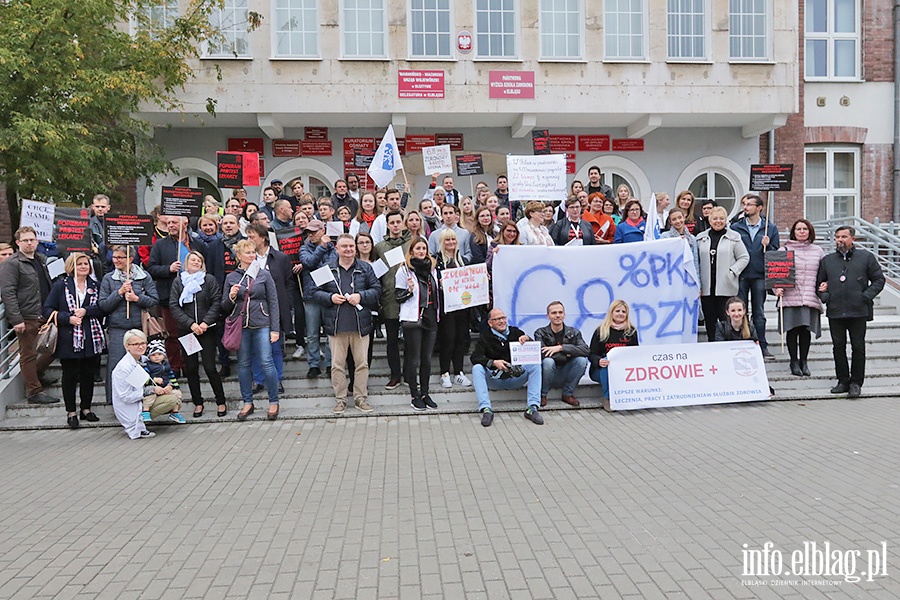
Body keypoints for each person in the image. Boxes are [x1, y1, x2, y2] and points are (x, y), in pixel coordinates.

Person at [310, 234, 382, 415]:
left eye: (351, 246)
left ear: (355, 248)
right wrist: (330, 297)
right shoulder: (326, 269)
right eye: (344, 246)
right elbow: (314, 292)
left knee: (362, 364)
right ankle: (340, 400)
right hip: (336, 326)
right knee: (337, 365)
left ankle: (360, 398)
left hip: (360, 326)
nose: (348, 249)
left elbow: (377, 290)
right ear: (337, 249)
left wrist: (361, 296)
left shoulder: (365, 268)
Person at [816, 226, 885, 398]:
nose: (840, 240)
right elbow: (819, 284)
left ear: (852, 239)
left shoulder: (866, 258)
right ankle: (842, 381)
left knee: (858, 347)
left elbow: (879, 279)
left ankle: (856, 383)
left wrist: (866, 296)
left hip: (858, 310)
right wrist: (826, 296)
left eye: (844, 236)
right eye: (837, 237)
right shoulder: (827, 260)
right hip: (836, 311)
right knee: (838, 347)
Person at [41, 252, 106, 427]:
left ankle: (86, 408)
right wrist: (66, 318)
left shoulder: (95, 285)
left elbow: (102, 308)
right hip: (69, 339)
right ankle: (71, 411)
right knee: (69, 376)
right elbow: (47, 309)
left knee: (88, 375)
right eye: (80, 264)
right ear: (72, 267)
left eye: (86, 263)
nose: (84, 266)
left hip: (91, 337)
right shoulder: (61, 286)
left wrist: (87, 311)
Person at [222, 239, 281, 420]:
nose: (252, 255)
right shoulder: (231, 277)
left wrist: (275, 329)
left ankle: (273, 401)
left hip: (262, 323)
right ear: (238, 256)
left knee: (266, 361)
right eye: (247, 252)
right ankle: (248, 402)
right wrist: (232, 296)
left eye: (253, 252)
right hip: (241, 325)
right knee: (244, 365)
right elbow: (224, 306)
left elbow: (273, 302)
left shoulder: (263, 275)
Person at [0, 227, 58, 404]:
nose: (30, 243)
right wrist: (16, 319)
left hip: (45, 313)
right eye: (25, 240)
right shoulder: (12, 263)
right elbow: (8, 292)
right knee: (28, 354)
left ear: (37, 241)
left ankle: (37, 375)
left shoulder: (40, 259)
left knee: (54, 347)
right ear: (18, 243)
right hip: (27, 316)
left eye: (32, 239)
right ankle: (34, 391)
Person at [99, 245, 159, 404]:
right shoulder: (108, 278)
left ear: (130, 259)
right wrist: (119, 293)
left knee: (139, 366)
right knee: (116, 366)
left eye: (120, 257)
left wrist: (137, 298)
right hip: (118, 328)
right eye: (114, 257)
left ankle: (141, 399)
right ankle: (114, 400)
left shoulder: (144, 276)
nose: (116, 260)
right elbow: (103, 305)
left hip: (139, 327)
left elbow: (154, 300)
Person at [169, 250, 227, 417]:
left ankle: (221, 401)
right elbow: (174, 306)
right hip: (187, 331)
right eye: (193, 260)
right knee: (192, 367)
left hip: (206, 330)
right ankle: (198, 402)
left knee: (210, 367)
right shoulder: (179, 281)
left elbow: (216, 302)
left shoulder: (208, 280)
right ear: (186, 263)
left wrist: (204, 323)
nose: (196, 263)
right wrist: (191, 324)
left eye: (199, 261)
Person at [148, 215, 207, 375]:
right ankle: (175, 365)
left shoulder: (197, 244)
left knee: (190, 332)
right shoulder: (160, 245)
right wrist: (168, 269)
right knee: (173, 334)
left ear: (185, 223)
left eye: (174, 222)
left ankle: (189, 365)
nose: (170, 225)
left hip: (195, 298)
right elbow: (151, 268)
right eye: (168, 223)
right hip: (170, 297)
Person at [470, 308, 544, 427]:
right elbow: (475, 357)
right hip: (495, 379)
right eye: (497, 319)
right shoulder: (485, 337)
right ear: (490, 323)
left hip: (516, 378)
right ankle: (486, 409)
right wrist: (493, 362)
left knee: (535, 365)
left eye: (503, 318)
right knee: (477, 368)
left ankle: (532, 408)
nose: (502, 321)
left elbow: (533, 352)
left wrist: (528, 339)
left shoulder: (515, 332)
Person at [730, 193, 780, 359]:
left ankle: (762, 344)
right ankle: (741, 342)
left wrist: (769, 245)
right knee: (740, 311)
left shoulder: (770, 228)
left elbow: (775, 254)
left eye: (750, 204)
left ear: (759, 208)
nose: (745, 207)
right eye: (744, 204)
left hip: (759, 275)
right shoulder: (736, 227)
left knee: (759, 312)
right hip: (742, 274)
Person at [246, 221, 293, 395]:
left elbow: (288, 284)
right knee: (256, 348)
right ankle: (258, 380)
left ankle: (277, 380)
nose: (249, 239)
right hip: (254, 310)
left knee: (275, 347)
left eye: (252, 236)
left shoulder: (280, 258)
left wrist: (286, 304)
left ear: (263, 237)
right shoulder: (247, 259)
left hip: (275, 309)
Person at [774, 220, 825, 377]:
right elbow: (776, 273)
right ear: (793, 232)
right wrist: (776, 288)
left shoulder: (818, 251)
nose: (802, 231)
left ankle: (804, 361)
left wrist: (825, 284)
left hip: (809, 295)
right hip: (790, 296)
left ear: (810, 231)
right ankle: (793, 361)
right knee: (793, 329)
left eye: (805, 229)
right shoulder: (784, 249)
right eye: (798, 229)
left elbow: (825, 272)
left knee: (805, 330)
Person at [111, 329, 182, 439]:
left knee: (175, 396)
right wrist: (151, 390)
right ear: (127, 346)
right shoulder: (123, 368)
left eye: (143, 343)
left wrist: (168, 386)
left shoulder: (145, 360)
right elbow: (125, 397)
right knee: (171, 400)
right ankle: (139, 424)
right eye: (135, 344)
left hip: (144, 398)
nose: (140, 346)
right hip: (131, 405)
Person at [396, 239, 440, 411]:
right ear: (412, 251)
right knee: (414, 358)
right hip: (413, 318)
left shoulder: (433, 270)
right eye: (418, 248)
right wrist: (410, 290)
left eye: (424, 248)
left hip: (430, 316)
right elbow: (397, 296)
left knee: (427, 359)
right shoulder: (404, 270)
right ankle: (414, 395)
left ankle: (425, 393)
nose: (421, 251)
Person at [696, 207, 750, 342]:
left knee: (726, 322)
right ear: (709, 220)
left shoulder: (734, 237)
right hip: (707, 288)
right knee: (710, 322)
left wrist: (733, 271)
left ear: (726, 220)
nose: (718, 221)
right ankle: (712, 349)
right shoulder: (701, 238)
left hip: (726, 287)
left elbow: (744, 257)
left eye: (721, 218)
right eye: (715, 218)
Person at [373, 210, 409, 389]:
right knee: (392, 340)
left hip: (411, 298)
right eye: (392, 222)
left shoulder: (412, 243)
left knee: (411, 339)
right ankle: (395, 374)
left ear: (403, 223)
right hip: (389, 298)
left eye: (398, 222)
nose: (395, 225)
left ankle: (409, 373)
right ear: (387, 225)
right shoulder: (380, 247)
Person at [433, 229, 472, 390]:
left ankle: (459, 371)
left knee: (460, 338)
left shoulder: (461, 260)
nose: (451, 243)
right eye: (447, 240)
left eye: (453, 240)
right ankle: (444, 373)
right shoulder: (437, 261)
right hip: (445, 307)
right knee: (448, 339)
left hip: (462, 306)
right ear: (442, 242)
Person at [533, 301, 589, 407]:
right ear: (547, 316)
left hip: (567, 371)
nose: (557, 315)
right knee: (548, 362)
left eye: (560, 312)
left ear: (564, 314)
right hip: (548, 373)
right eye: (554, 313)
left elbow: (585, 350)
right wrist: (568, 355)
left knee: (581, 361)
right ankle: (543, 395)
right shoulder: (540, 332)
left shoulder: (574, 332)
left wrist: (561, 348)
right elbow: (542, 353)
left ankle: (568, 394)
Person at [299, 220, 335, 378]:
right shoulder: (304, 248)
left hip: (328, 294)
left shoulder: (334, 248)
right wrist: (321, 248)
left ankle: (330, 363)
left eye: (314, 232)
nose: (311, 235)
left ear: (323, 230)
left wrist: (317, 263)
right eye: (309, 232)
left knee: (330, 333)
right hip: (311, 295)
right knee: (312, 333)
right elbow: (309, 262)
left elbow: (333, 265)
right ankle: (313, 364)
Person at [588, 300, 639, 400]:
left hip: (623, 370)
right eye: (617, 311)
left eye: (623, 312)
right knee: (607, 362)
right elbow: (591, 354)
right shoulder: (601, 330)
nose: (620, 314)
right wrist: (599, 361)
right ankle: (607, 398)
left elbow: (635, 354)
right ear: (611, 313)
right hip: (601, 370)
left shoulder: (631, 331)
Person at [141, 340, 184, 422]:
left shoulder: (166, 365)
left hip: (164, 388)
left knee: (177, 394)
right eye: (153, 355)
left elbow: (171, 376)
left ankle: (175, 412)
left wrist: (172, 386)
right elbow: (143, 378)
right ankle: (145, 411)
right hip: (152, 388)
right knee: (150, 396)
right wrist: (153, 380)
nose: (157, 357)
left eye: (159, 354)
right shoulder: (147, 365)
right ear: (149, 356)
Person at [660, 208, 700, 278]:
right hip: (672, 275)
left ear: (684, 217)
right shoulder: (665, 237)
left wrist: (698, 282)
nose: (678, 221)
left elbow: (695, 262)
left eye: (679, 217)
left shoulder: (692, 238)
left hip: (688, 275)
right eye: (674, 219)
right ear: (670, 222)